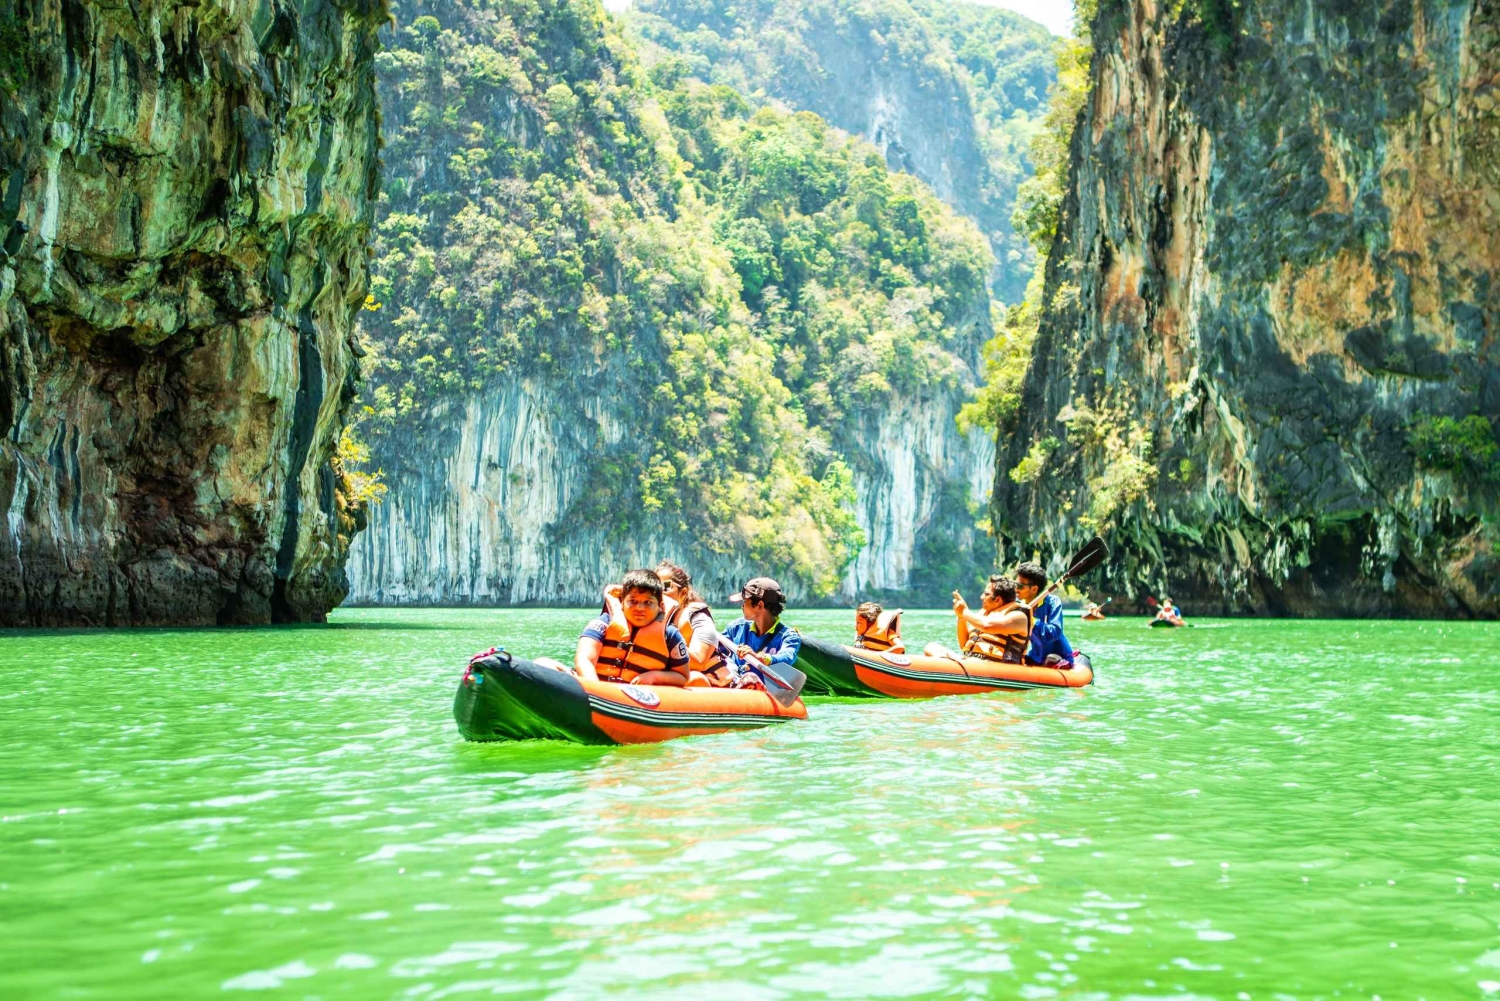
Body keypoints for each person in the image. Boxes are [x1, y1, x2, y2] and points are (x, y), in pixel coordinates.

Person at [573, 569, 691, 686]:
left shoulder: (670, 635)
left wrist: (654, 676)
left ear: (660, 606)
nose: (639, 608)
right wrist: (597, 691)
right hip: (597, 690)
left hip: (639, 698)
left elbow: (683, 676)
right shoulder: (603, 624)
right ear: (622, 602)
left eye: (648, 602)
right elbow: (584, 660)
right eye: (633, 601)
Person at [656, 560, 735, 687]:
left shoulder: (698, 617)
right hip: (672, 683)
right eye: (654, 587)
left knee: (695, 679)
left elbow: (699, 661)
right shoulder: (650, 618)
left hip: (711, 686)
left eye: (665, 586)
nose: (659, 593)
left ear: (683, 593)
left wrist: (660, 641)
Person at [924, 575, 1031, 663]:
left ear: (998, 599)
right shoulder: (983, 614)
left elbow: (987, 626)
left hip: (997, 667)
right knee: (931, 647)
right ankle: (951, 668)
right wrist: (961, 618)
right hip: (971, 662)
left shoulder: (1019, 617)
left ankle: (952, 668)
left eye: (986, 594)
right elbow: (964, 645)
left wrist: (965, 612)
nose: (981, 597)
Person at [719, 577, 801, 684]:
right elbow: (716, 651)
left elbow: (788, 656)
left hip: (764, 693)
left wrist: (761, 658)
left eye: (745, 601)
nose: (742, 606)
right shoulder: (735, 628)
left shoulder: (789, 636)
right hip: (736, 687)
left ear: (759, 605)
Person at [1015, 561, 1075, 666]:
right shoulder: (1018, 605)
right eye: (1015, 584)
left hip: (1057, 656)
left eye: (1020, 586)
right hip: (1036, 656)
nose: (1016, 589)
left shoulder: (1052, 602)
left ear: (1034, 589)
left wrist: (1031, 620)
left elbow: (1055, 632)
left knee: (1051, 659)